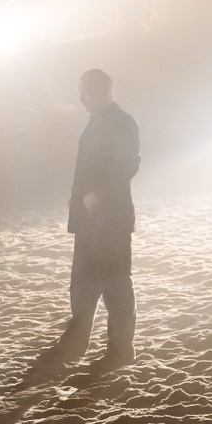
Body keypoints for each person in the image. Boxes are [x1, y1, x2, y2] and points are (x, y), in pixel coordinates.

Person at [61, 67, 140, 370]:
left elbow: (129, 164)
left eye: (86, 92)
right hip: (89, 219)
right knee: (82, 282)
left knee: (115, 283)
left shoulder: (122, 122)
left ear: (104, 90)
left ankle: (121, 349)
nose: (81, 98)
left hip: (111, 219)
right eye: (80, 92)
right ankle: (78, 338)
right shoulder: (98, 121)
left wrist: (97, 195)